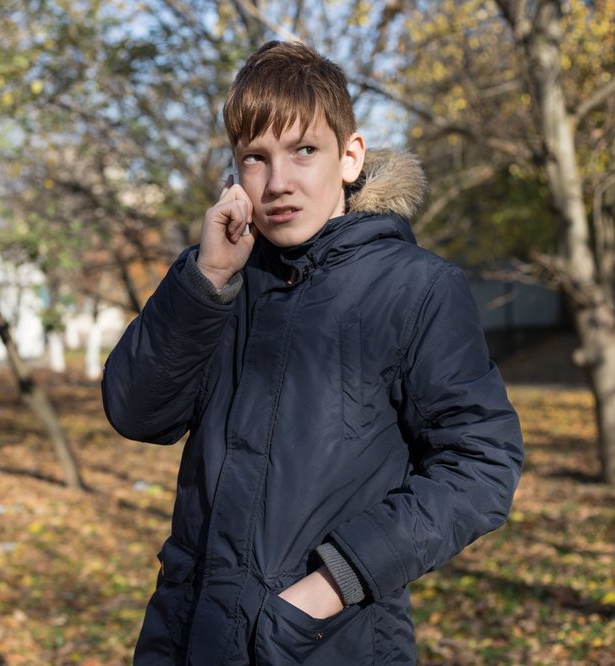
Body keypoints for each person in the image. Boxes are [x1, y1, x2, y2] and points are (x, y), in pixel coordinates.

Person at [102, 41, 523, 665]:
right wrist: (206, 282)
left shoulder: (416, 288)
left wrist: (330, 586)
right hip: (185, 637)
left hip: (326, 642)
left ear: (349, 156)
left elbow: (482, 464)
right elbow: (137, 413)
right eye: (256, 158)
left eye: (304, 151)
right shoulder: (218, 279)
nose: (278, 183)